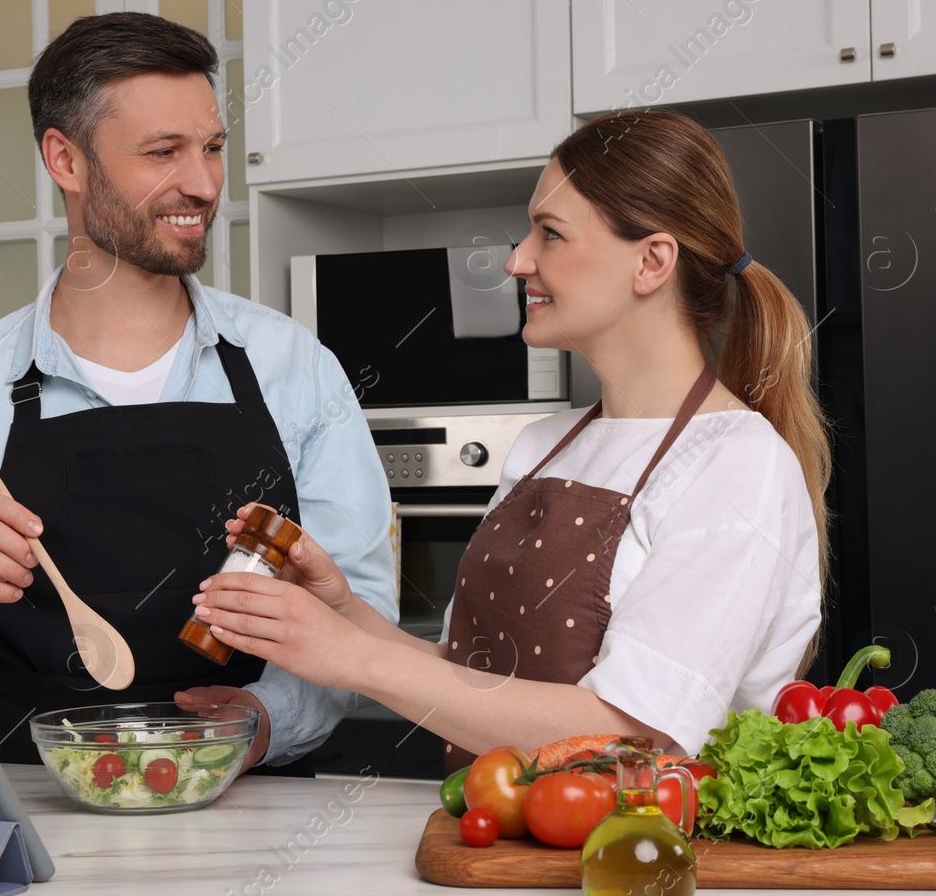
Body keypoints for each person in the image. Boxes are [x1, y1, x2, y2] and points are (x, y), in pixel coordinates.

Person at [189, 109, 829, 768]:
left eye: (550, 234)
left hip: (639, 862)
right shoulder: (545, 443)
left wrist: (359, 657)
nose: (517, 259)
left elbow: (628, 739)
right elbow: (468, 680)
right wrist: (344, 611)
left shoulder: (735, 465)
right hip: (497, 847)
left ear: (652, 261)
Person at [0, 12, 397, 772]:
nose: (203, 185)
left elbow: (364, 621)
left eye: (212, 149)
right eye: (163, 152)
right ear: (64, 159)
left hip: (254, 811)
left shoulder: (293, 367)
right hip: (36, 804)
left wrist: (263, 722)